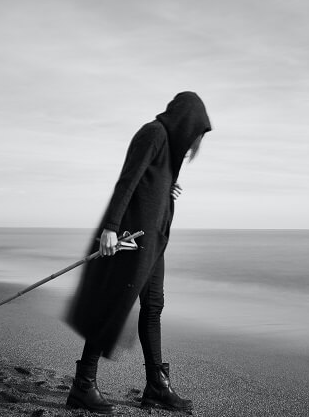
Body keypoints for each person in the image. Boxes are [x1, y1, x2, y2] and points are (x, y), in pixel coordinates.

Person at [65, 91, 212, 414]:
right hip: (132, 237)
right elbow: (127, 181)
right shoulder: (153, 133)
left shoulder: (169, 149)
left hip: (155, 240)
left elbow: (150, 183)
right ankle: (83, 385)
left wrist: (165, 188)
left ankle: (156, 386)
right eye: (194, 135)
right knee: (113, 304)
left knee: (153, 306)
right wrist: (110, 228)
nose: (193, 144)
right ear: (185, 123)